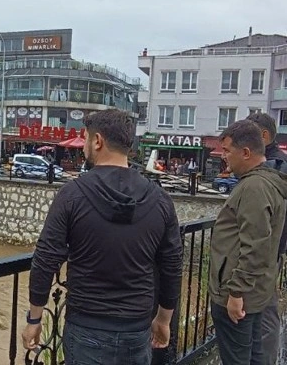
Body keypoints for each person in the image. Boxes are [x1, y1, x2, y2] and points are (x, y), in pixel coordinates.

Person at [22, 109, 183, 364]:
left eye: (86, 139)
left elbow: (46, 258)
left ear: (97, 141)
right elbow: (172, 264)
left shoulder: (72, 195)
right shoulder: (160, 200)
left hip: (87, 324)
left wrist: (34, 318)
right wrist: (163, 319)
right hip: (137, 326)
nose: (85, 146)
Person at [209, 120, 287, 365]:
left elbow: (255, 245)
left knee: (238, 357)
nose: (224, 158)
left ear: (245, 152)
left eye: (227, 151)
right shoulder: (268, 182)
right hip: (255, 292)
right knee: (254, 356)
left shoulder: (255, 186)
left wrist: (235, 292)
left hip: (238, 297)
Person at [245, 112, 287, 365]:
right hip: (272, 251)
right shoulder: (277, 165)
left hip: (266, 253)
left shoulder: (272, 169)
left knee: (264, 312)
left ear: (263, 136)